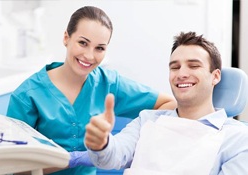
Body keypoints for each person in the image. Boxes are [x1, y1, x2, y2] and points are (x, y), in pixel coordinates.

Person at [6, 6, 176, 175]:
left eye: (99, 48)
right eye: (83, 43)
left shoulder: (108, 83)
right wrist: (72, 159)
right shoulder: (27, 95)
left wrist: (127, 140)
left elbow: (169, 104)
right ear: (66, 38)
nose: (89, 55)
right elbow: (16, 167)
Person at [85, 31, 248, 175]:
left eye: (193, 66)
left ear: (216, 76)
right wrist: (101, 143)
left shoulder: (237, 138)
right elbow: (112, 156)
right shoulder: (147, 120)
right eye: (175, 67)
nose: (182, 73)